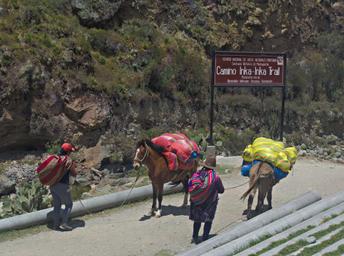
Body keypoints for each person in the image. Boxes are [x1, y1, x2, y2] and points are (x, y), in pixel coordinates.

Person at [188, 154, 224, 244]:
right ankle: (205, 237)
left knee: (197, 220)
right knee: (208, 220)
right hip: (209, 203)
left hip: (196, 202)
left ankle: (195, 237)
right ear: (212, 167)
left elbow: (189, 186)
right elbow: (221, 190)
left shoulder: (196, 175)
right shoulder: (215, 177)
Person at [50, 143, 77, 231]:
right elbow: (74, 173)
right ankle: (64, 223)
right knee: (69, 204)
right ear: (68, 151)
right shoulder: (68, 160)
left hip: (52, 185)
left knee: (57, 206)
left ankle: (55, 225)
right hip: (62, 185)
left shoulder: (55, 159)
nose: (71, 153)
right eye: (70, 151)